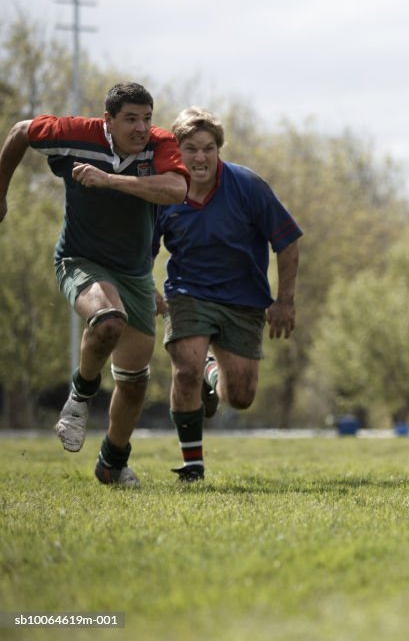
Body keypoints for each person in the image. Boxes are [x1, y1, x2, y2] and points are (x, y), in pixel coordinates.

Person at [0, 82, 189, 487]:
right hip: (79, 261)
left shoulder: (160, 145)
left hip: (135, 272)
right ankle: (80, 397)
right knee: (107, 321)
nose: (141, 128)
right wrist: (1, 193)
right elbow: (19, 131)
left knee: (134, 382)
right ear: (108, 121)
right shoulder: (73, 134)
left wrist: (111, 181)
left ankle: (112, 462)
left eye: (146, 118)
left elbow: (177, 189)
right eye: (131, 119)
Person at [153, 107, 302, 482]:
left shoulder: (248, 186)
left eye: (207, 148)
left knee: (240, 396)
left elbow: (287, 242)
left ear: (218, 149)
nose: (200, 157)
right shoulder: (164, 190)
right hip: (188, 292)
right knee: (184, 369)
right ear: (177, 150)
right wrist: (144, 286)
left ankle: (211, 370)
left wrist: (285, 301)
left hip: (244, 298)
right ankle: (193, 466)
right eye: (190, 149)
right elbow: (142, 247)